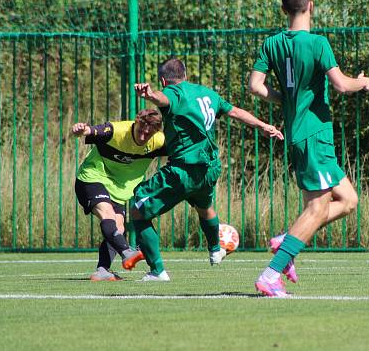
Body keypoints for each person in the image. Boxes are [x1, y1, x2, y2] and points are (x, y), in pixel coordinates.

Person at [248, 0, 369, 297]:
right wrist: (363, 82)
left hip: (298, 133)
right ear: (311, 5)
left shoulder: (271, 44)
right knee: (318, 210)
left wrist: (285, 100)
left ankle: (287, 240)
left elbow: (255, 86)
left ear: (283, 9)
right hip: (315, 133)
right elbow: (342, 85)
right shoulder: (318, 43)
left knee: (348, 201)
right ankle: (270, 274)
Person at [128, 58, 284, 281]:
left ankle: (157, 271)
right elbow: (236, 112)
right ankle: (215, 249)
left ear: (164, 80)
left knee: (137, 206)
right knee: (205, 207)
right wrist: (263, 125)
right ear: (185, 74)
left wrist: (150, 95)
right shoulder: (207, 93)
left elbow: (163, 98)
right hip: (209, 167)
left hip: (184, 170)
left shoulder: (174, 93)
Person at [72, 109, 164, 281]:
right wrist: (80, 130)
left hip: (118, 189)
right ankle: (127, 252)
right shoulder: (116, 131)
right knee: (107, 215)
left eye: (148, 134)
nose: (143, 137)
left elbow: (182, 149)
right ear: (135, 122)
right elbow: (90, 131)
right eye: (140, 131)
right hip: (92, 177)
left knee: (119, 228)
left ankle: (102, 270)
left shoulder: (159, 141)